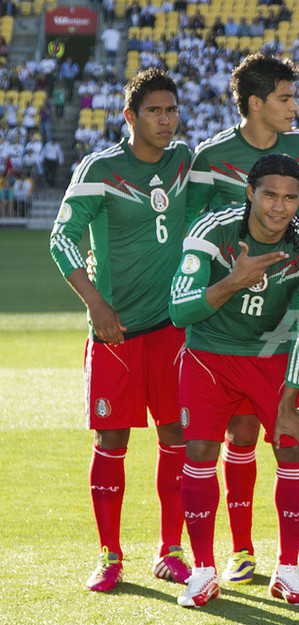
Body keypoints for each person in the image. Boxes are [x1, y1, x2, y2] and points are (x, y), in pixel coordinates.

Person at [187, 52, 299, 585]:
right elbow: (191, 221)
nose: (295, 107)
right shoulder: (211, 155)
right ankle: (242, 550)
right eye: (285, 98)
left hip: (288, 314)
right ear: (255, 103)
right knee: (240, 435)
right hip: (228, 324)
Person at [49, 68, 193, 593]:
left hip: (172, 330)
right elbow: (62, 238)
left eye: (171, 110)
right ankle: (110, 554)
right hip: (116, 334)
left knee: (177, 435)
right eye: (154, 110)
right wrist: (96, 304)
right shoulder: (100, 168)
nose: (165, 119)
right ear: (130, 116)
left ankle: (170, 550)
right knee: (112, 438)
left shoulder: (185, 162)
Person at [169, 153, 299, 608]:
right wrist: (233, 281)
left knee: (293, 448)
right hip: (210, 354)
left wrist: (288, 403)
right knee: (200, 452)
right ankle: (203, 571)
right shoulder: (212, 230)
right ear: (249, 193)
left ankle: (287, 570)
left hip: (273, 357)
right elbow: (179, 311)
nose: (279, 207)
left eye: (290, 198)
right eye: (269, 195)